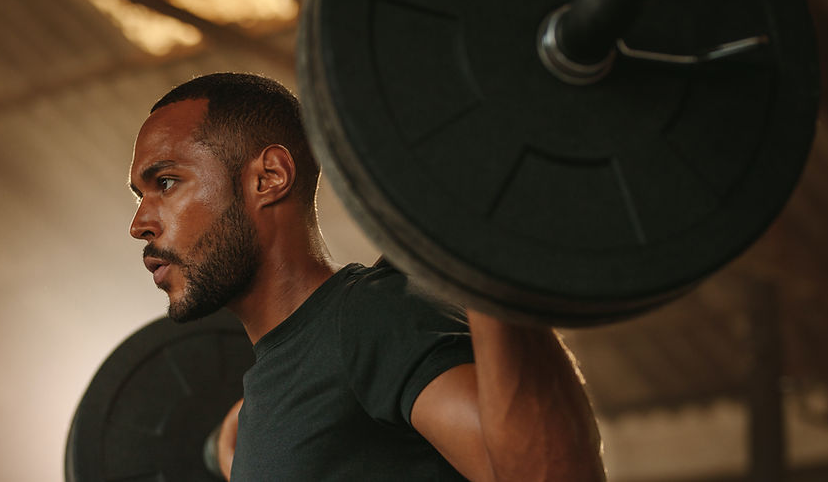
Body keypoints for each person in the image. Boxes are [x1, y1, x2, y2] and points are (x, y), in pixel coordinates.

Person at [128, 73, 605, 481]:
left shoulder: (372, 319)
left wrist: (480, 242)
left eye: (166, 183)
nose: (139, 225)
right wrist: (226, 443)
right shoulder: (268, 395)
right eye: (138, 196)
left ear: (269, 176)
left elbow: (550, 475)